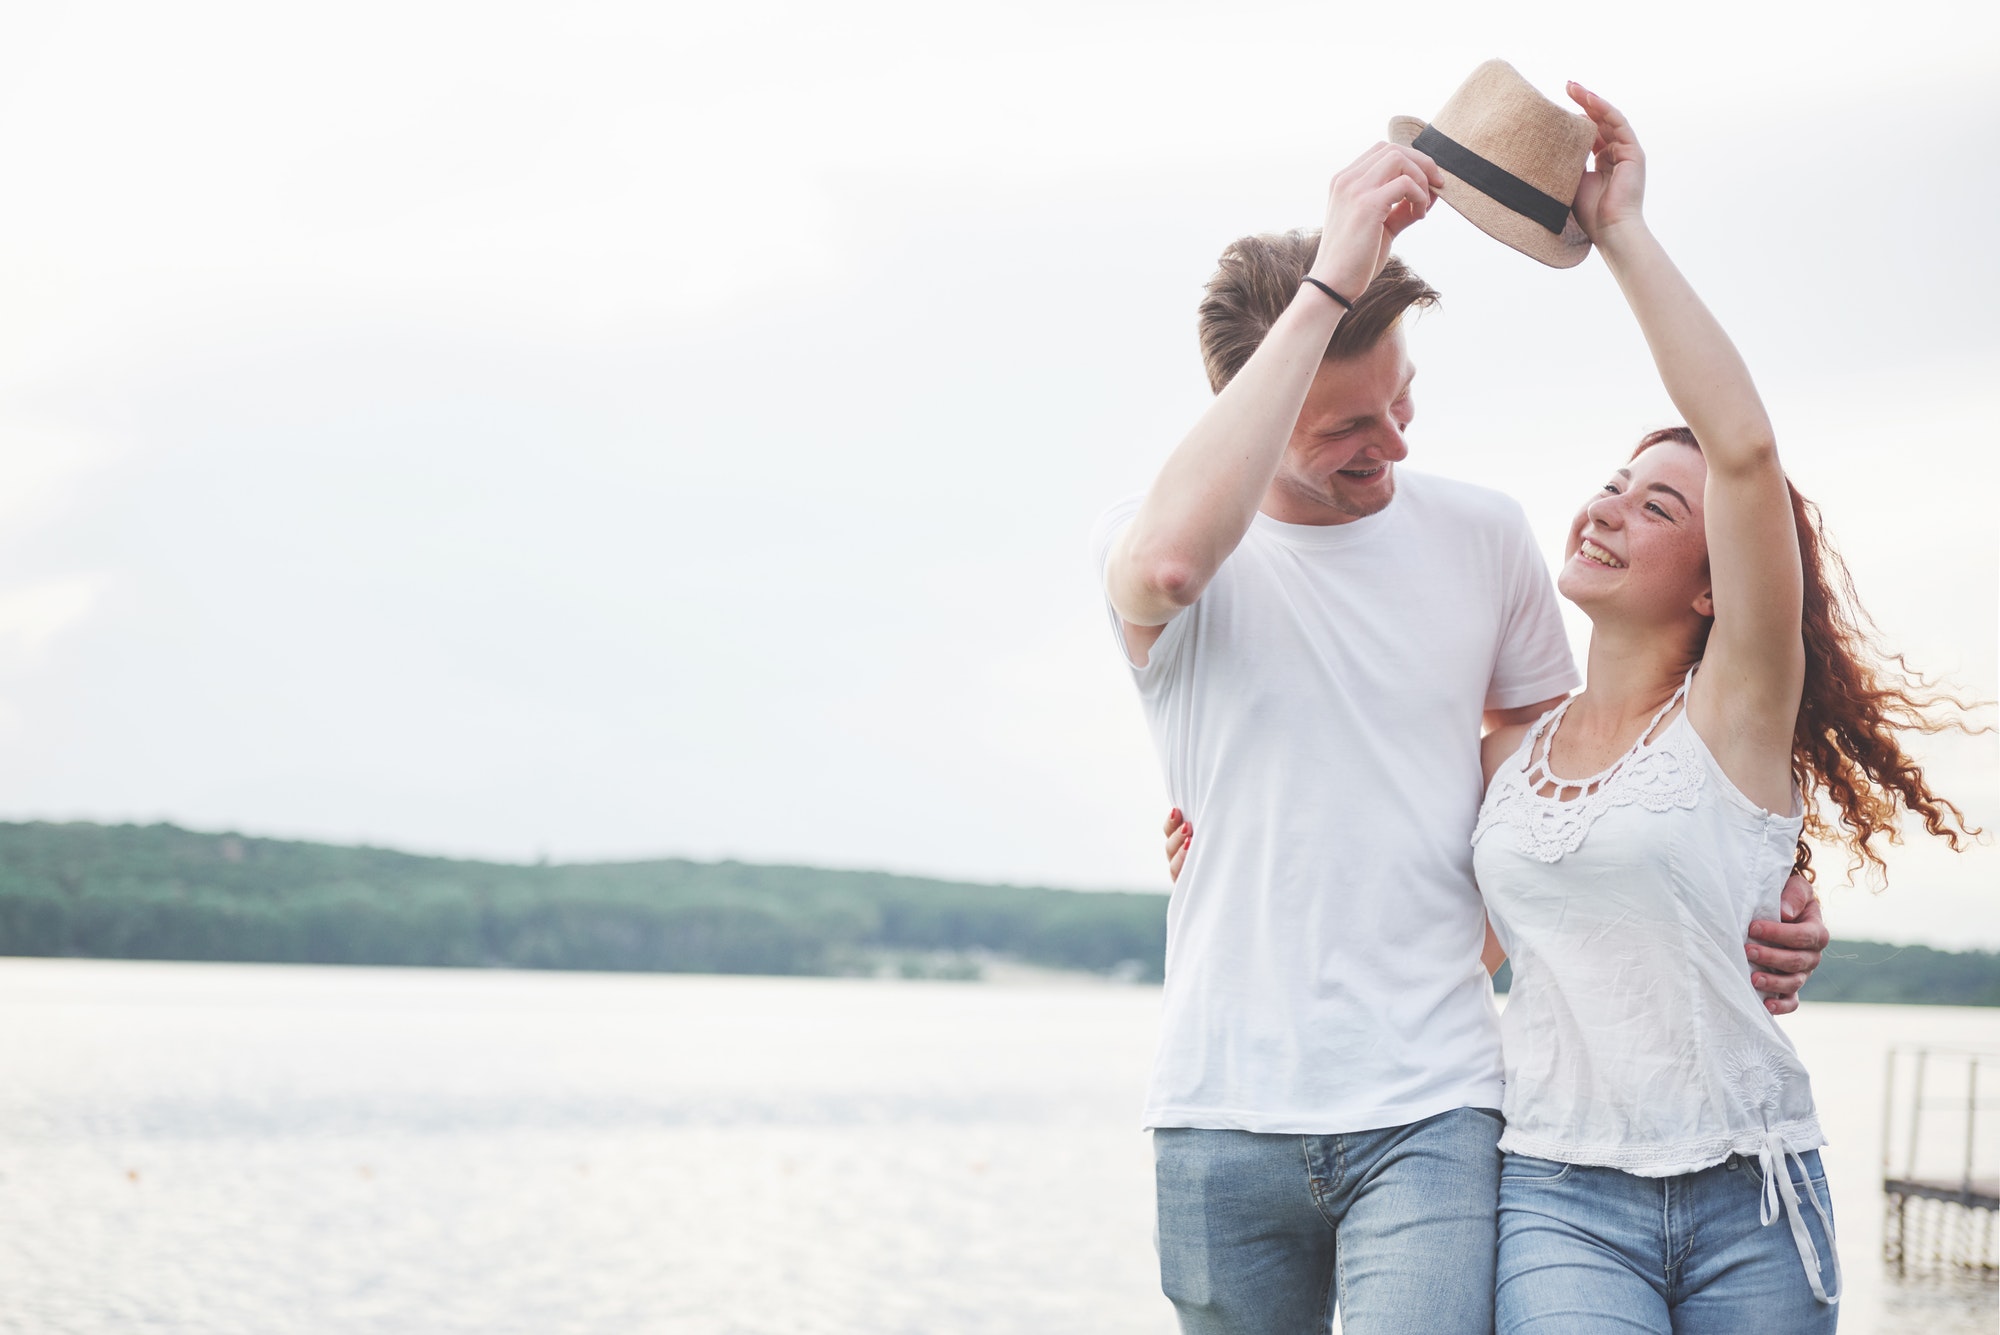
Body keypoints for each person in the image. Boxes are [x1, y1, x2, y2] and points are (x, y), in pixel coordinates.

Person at [1094, 112, 1829, 1335]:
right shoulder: (1151, 538)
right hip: (1219, 1105)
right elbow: (1168, 568)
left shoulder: (1481, 537)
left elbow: (1569, 788)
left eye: (1402, 400)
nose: (1394, 441)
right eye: (1345, 427)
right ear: (1260, 406)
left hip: (1440, 1102)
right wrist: (1331, 271)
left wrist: (1759, 869)